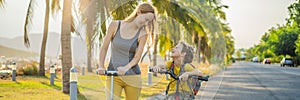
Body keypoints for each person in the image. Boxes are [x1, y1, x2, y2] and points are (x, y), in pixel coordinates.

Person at [97, 3, 157, 100]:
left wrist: (126, 68)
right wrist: (101, 66)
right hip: (113, 75)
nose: (146, 24)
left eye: (149, 22)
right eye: (146, 19)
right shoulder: (115, 25)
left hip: (133, 77)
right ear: (138, 12)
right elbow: (104, 48)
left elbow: (137, 57)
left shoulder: (142, 34)